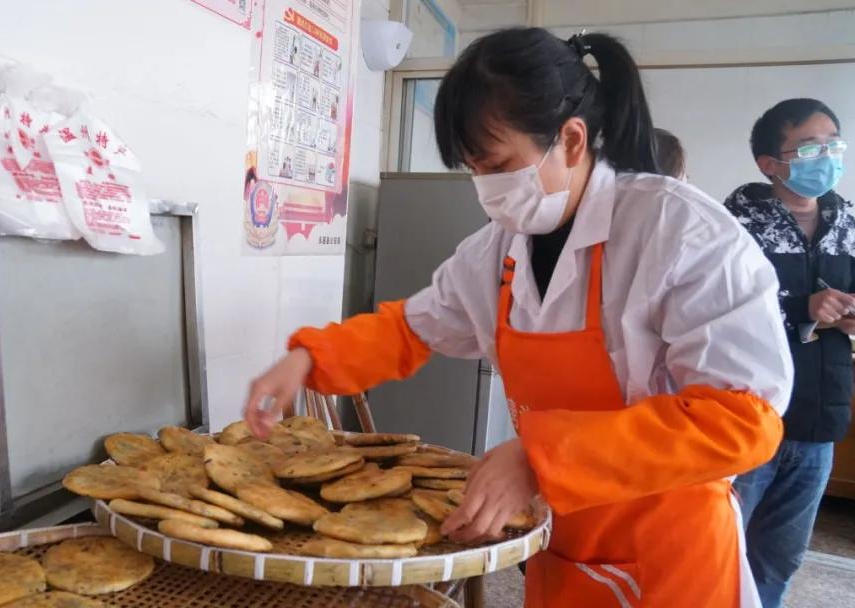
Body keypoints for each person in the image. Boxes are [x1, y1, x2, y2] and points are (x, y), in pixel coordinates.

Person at [244, 28, 793, 607]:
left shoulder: (678, 233)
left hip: (672, 553)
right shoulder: (499, 249)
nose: (486, 187)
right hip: (563, 541)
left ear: (572, 140)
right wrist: (311, 358)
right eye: (473, 168)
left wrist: (540, 458)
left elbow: (743, 420)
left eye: (499, 163)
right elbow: (411, 328)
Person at [724, 98, 853, 608]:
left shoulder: (847, 221)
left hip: (821, 418)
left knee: (780, 556)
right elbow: (723, 309)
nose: (826, 155)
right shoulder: (735, 221)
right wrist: (804, 306)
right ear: (769, 163)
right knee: (723, 544)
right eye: (809, 146)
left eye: (833, 143)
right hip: (749, 415)